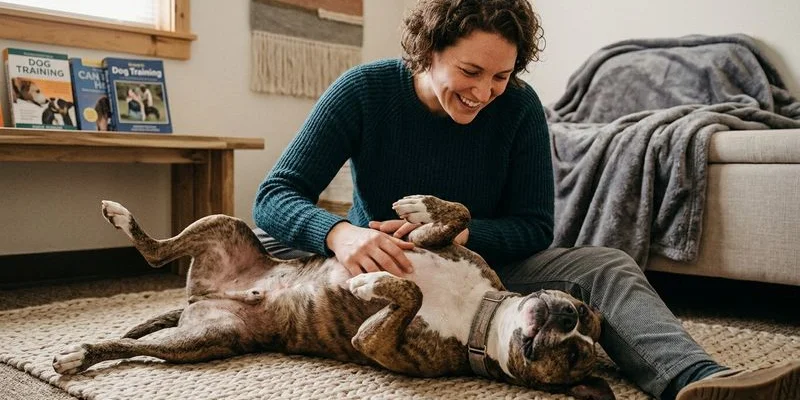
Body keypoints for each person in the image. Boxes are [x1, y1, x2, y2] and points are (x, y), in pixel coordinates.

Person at [252, 1, 800, 398]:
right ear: (428, 51)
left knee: (606, 264)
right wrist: (341, 234)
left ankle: (698, 380)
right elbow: (276, 194)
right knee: (261, 241)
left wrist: (462, 232)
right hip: (393, 273)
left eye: (501, 75)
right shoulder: (363, 92)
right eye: (470, 71)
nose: (483, 93)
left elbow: (535, 227)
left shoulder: (518, 108)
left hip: (487, 270)